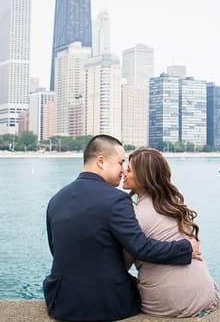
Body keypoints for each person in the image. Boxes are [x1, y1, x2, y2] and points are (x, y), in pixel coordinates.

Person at [43, 135, 201, 321]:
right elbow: (141, 248)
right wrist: (186, 247)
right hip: (107, 303)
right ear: (101, 162)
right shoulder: (116, 199)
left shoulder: (56, 199)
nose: (122, 171)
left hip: (60, 301)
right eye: (120, 163)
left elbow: (56, 250)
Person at [123, 148, 220, 317]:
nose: (124, 171)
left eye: (129, 169)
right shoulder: (173, 205)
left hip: (166, 305)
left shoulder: (135, 216)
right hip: (207, 297)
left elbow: (123, 265)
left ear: (143, 176)